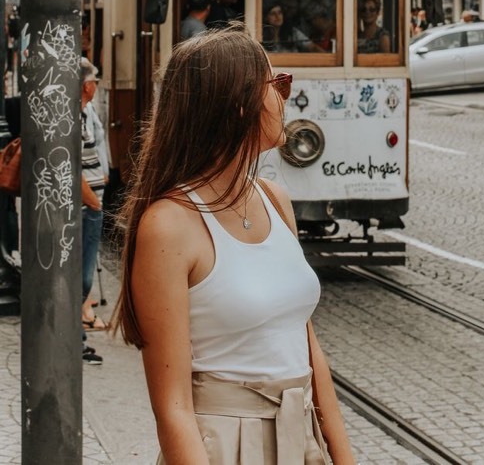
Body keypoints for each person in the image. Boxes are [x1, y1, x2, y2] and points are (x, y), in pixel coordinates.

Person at [111, 26, 355, 464]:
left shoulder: (275, 200)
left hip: (300, 438)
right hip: (223, 446)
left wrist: (343, 457)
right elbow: (173, 406)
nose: (287, 97)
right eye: (278, 84)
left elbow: (309, 350)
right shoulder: (169, 225)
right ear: (240, 105)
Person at [80, 58, 109, 362]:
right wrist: (95, 202)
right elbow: (74, 168)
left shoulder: (81, 113)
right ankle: (76, 338)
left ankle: (78, 338)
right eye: (95, 81)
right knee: (83, 278)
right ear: (87, 85)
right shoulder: (75, 117)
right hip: (87, 207)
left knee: (82, 277)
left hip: (89, 206)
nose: (97, 85)